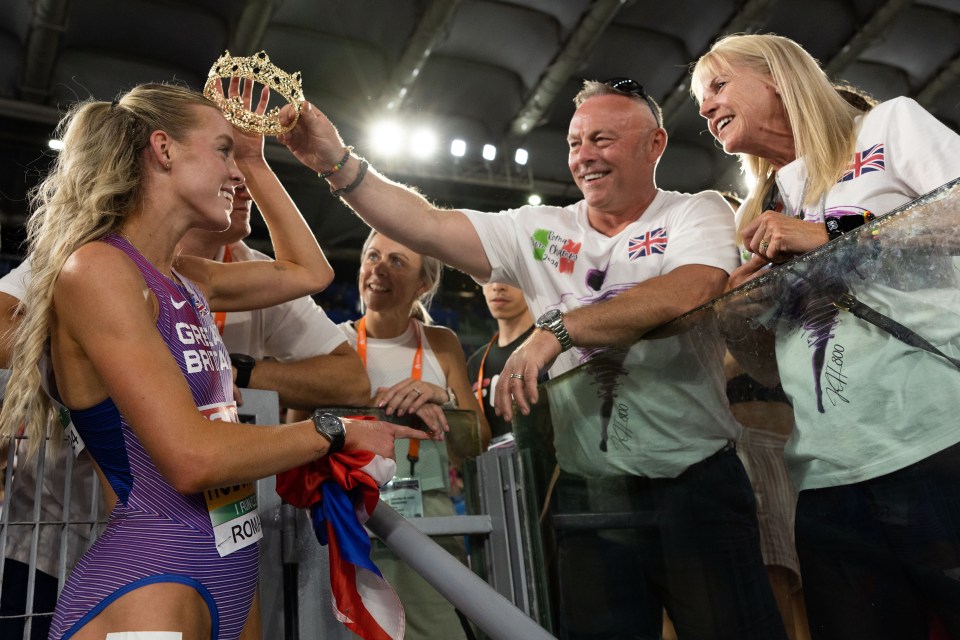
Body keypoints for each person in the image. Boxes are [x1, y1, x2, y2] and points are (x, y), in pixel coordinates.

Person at [278, 78, 786, 638]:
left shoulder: (697, 212)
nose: (585, 156)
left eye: (603, 139)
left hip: (697, 486)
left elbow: (690, 292)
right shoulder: (539, 229)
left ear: (655, 145)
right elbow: (425, 224)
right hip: (590, 495)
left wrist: (556, 331)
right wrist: (339, 164)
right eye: (574, 143)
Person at [0, 79, 427, 640]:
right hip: (149, 578)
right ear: (164, 148)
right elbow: (191, 458)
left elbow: (311, 273)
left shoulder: (187, 276)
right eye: (224, 151)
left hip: (229, 564)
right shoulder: (98, 270)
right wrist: (335, 431)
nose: (236, 174)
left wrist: (256, 157)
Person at [692, 33, 960, 638]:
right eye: (699, 100)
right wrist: (740, 316)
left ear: (779, 78)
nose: (705, 108)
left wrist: (832, 231)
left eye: (717, 84)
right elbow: (766, 367)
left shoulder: (889, 126)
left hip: (937, 441)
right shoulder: (757, 209)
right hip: (825, 475)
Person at [338, 229, 491, 640]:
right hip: (352, 520)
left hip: (432, 520)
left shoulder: (441, 343)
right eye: (372, 256)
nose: (378, 268)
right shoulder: (334, 342)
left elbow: (477, 441)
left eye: (397, 261)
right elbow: (296, 430)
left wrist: (443, 398)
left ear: (424, 284)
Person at [466, 281, 545, 445]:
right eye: (488, 279)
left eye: (508, 277)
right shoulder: (476, 362)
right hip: (494, 467)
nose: (497, 286)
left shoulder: (546, 348)